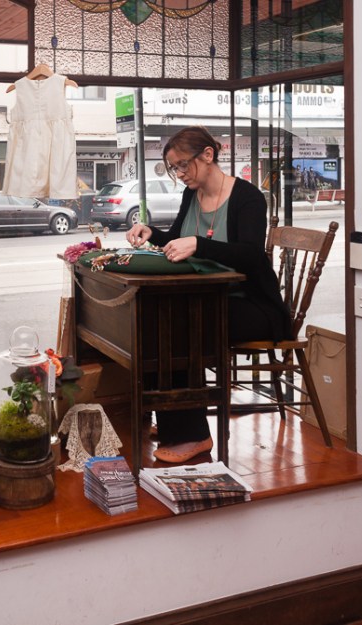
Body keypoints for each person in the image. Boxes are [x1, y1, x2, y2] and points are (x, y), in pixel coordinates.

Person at [126, 126, 292, 464]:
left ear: (208, 155)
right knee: (154, 321)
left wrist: (200, 244)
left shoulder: (248, 198)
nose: (180, 174)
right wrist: (150, 233)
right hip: (203, 301)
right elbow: (176, 237)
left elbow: (250, 255)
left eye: (183, 165)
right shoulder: (192, 194)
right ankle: (173, 417)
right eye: (174, 168)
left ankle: (193, 435)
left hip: (251, 305)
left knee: (177, 329)